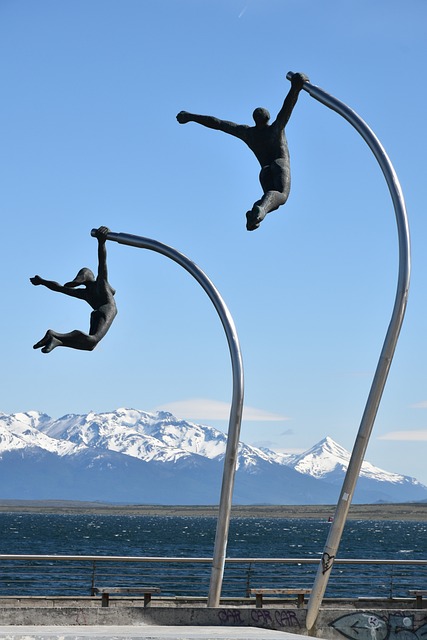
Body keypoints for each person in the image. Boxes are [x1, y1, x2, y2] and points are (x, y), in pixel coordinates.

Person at [177, 72, 309, 231]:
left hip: (265, 170)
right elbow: (287, 108)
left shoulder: (248, 134)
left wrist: (190, 116)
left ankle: (257, 214)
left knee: (267, 195)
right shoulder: (276, 129)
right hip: (280, 165)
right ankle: (261, 211)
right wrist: (295, 87)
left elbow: (218, 123)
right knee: (281, 195)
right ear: (268, 118)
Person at [31, 226, 117, 353]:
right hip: (108, 309)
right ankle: (55, 335)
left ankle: (57, 340)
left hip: (97, 312)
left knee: (90, 345)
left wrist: (42, 281)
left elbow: (59, 288)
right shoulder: (101, 283)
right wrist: (101, 243)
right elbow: (102, 262)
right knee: (92, 341)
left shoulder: (85, 293)